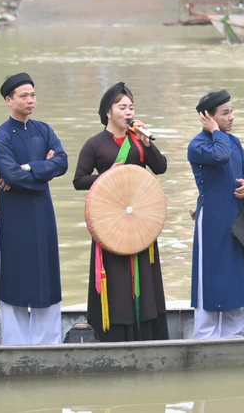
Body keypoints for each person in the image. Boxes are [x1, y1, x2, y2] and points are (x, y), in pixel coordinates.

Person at [73, 83, 169, 341]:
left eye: (131, 107)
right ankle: (113, 332)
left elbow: (160, 168)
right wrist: (108, 178)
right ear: (108, 111)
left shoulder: (138, 139)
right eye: (122, 107)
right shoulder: (95, 144)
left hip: (139, 219)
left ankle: (147, 332)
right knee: (115, 277)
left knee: (144, 275)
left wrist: (147, 142)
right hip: (110, 221)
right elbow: (79, 180)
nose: (128, 112)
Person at [0, 73, 68, 344]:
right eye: (24, 95)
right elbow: (10, 176)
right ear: (9, 100)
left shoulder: (44, 130)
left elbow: (63, 162)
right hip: (12, 214)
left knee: (46, 272)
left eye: (33, 94)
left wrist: (31, 167)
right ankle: (15, 342)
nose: (31, 100)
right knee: (15, 273)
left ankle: (49, 342)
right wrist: (43, 172)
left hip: (42, 211)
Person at [188, 90, 244, 339]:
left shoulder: (233, 140)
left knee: (236, 275)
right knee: (211, 276)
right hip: (213, 220)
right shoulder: (197, 145)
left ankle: (236, 334)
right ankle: (205, 336)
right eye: (225, 113)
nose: (232, 117)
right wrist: (216, 131)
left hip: (238, 217)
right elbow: (221, 156)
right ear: (208, 117)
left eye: (232, 111)